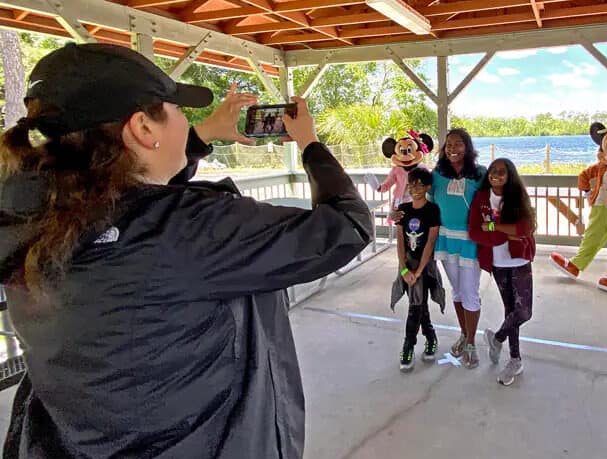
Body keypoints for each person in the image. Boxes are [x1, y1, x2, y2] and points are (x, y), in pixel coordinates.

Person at [0, 43, 373, 458]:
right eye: (176, 110)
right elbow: (347, 226)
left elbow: (132, 209)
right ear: (142, 127)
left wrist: (202, 136)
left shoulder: (34, 218)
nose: (184, 120)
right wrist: (310, 144)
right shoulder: (191, 229)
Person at [396, 128, 486, 368]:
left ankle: (471, 342)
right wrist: (401, 213)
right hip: (445, 241)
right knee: (457, 291)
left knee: (470, 293)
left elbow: (493, 200)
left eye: (458, 144)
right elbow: (422, 200)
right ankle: (464, 335)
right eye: (448, 145)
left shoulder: (479, 173)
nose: (453, 149)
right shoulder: (437, 175)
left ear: (467, 147)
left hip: (470, 241)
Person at [468, 159, 536, 386]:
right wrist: (504, 233)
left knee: (523, 312)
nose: (495, 175)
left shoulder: (517, 197)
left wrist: (493, 226)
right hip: (497, 263)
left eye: (501, 172)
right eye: (492, 171)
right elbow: (475, 231)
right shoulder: (481, 198)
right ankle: (515, 360)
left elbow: (526, 229)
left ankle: (497, 338)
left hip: (519, 260)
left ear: (510, 176)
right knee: (511, 310)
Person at [389, 168, 445, 372]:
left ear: (428, 187)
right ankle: (430, 336)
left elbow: (430, 241)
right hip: (408, 265)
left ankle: (408, 346)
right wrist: (404, 269)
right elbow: (401, 242)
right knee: (418, 304)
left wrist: (419, 271)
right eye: (412, 185)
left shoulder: (432, 210)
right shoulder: (403, 210)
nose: (415, 189)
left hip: (425, 267)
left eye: (420, 185)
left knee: (416, 306)